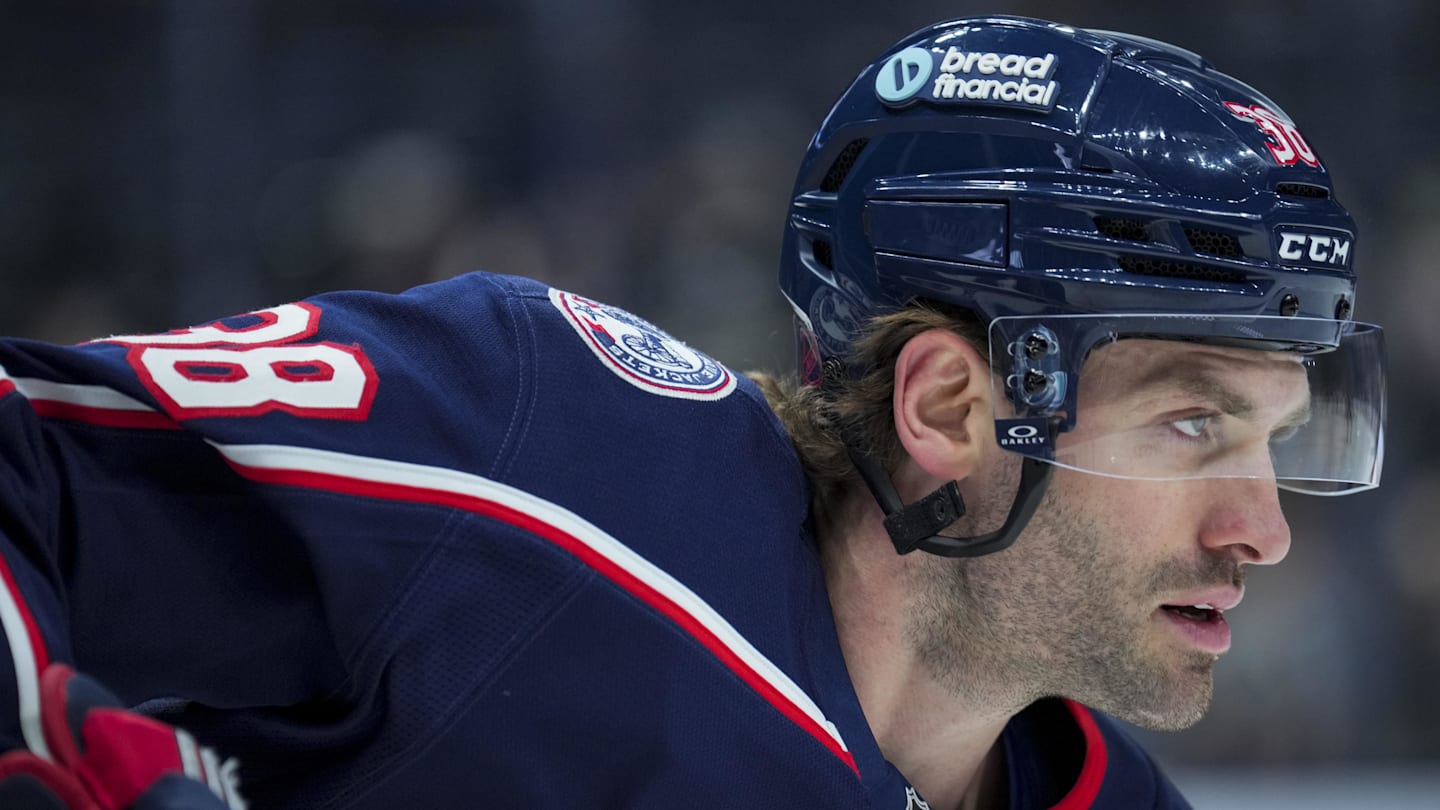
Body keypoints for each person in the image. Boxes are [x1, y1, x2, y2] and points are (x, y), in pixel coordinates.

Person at [0, 15, 1385, 810]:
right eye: (1194, 426)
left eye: (1273, 435)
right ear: (955, 405)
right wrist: (52, 754)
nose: (1262, 528)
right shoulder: (531, 446)